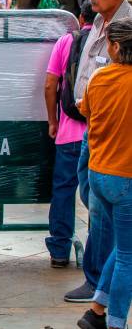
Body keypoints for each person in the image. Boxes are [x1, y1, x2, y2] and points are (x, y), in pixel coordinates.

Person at [65, 0, 132, 304]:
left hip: (115, 145)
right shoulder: (97, 23)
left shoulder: (125, 29)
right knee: (93, 204)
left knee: (105, 216)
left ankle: (98, 288)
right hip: (92, 131)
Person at [74, 19, 132, 329]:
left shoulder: (99, 78)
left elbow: (86, 110)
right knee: (128, 257)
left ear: (117, 47)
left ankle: (96, 309)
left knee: (124, 247)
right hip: (126, 178)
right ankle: (116, 322)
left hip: (100, 174)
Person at [44, 0, 96, 268]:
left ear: (79, 17)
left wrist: (53, 121)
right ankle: (96, 252)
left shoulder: (66, 42)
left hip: (69, 133)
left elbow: (51, 84)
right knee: (97, 196)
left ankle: (60, 250)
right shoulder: (109, 42)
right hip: (100, 135)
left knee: (64, 190)